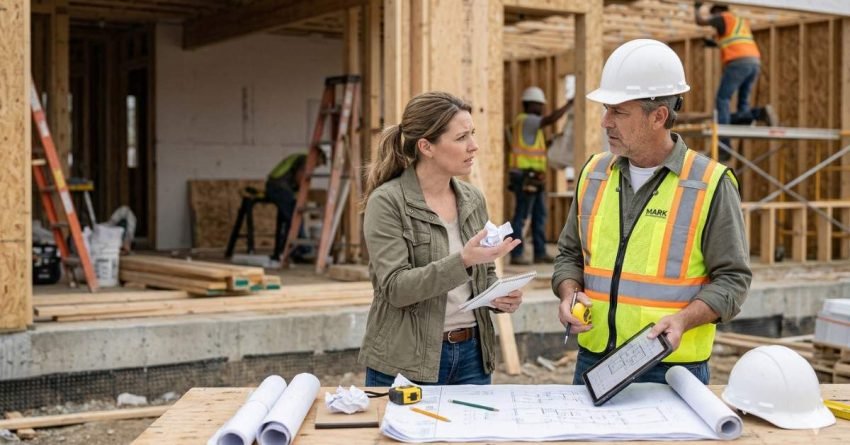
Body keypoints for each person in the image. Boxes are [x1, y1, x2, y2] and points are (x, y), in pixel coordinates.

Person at [552, 39, 752, 385]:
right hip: (593, 359)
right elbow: (570, 254)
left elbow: (733, 280)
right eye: (606, 109)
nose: (605, 122)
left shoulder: (709, 183)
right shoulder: (594, 173)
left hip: (670, 367)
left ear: (658, 116)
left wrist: (683, 321)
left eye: (618, 111)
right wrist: (569, 292)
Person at [359, 91, 523, 386]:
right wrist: (463, 261)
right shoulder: (387, 202)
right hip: (406, 361)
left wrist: (497, 298)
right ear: (426, 146)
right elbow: (396, 288)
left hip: (473, 357)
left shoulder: (472, 198)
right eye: (461, 138)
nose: (474, 146)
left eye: (472, 134)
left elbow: (480, 276)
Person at [695, 1, 777, 160]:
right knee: (742, 107)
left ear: (718, 10)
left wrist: (697, 7)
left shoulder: (722, 17)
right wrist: (715, 44)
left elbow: (700, 21)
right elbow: (734, 41)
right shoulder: (739, 21)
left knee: (722, 99)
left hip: (738, 62)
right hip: (754, 62)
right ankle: (760, 113)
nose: (713, 20)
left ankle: (723, 145)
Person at [509, 86, 572, 265]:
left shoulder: (531, 126)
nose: (542, 109)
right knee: (521, 216)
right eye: (539, 105)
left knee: (539, 215)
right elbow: (551, 119)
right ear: (530, 105)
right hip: (524, 176)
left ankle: (540, 251)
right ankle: (516, 254)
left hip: (534, 177)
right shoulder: (526, 120)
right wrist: (569, 105)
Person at [266, 149, 326, 268]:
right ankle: (304, 250)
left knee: (291, 219)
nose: (317, 166)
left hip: (276, 187)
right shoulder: (304, 160)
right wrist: (303, 193)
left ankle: (288, 250)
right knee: (295, 220)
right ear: (317, 157)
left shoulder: (300, 158)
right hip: (278, 189)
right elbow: (300, 179)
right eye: (319, 163)